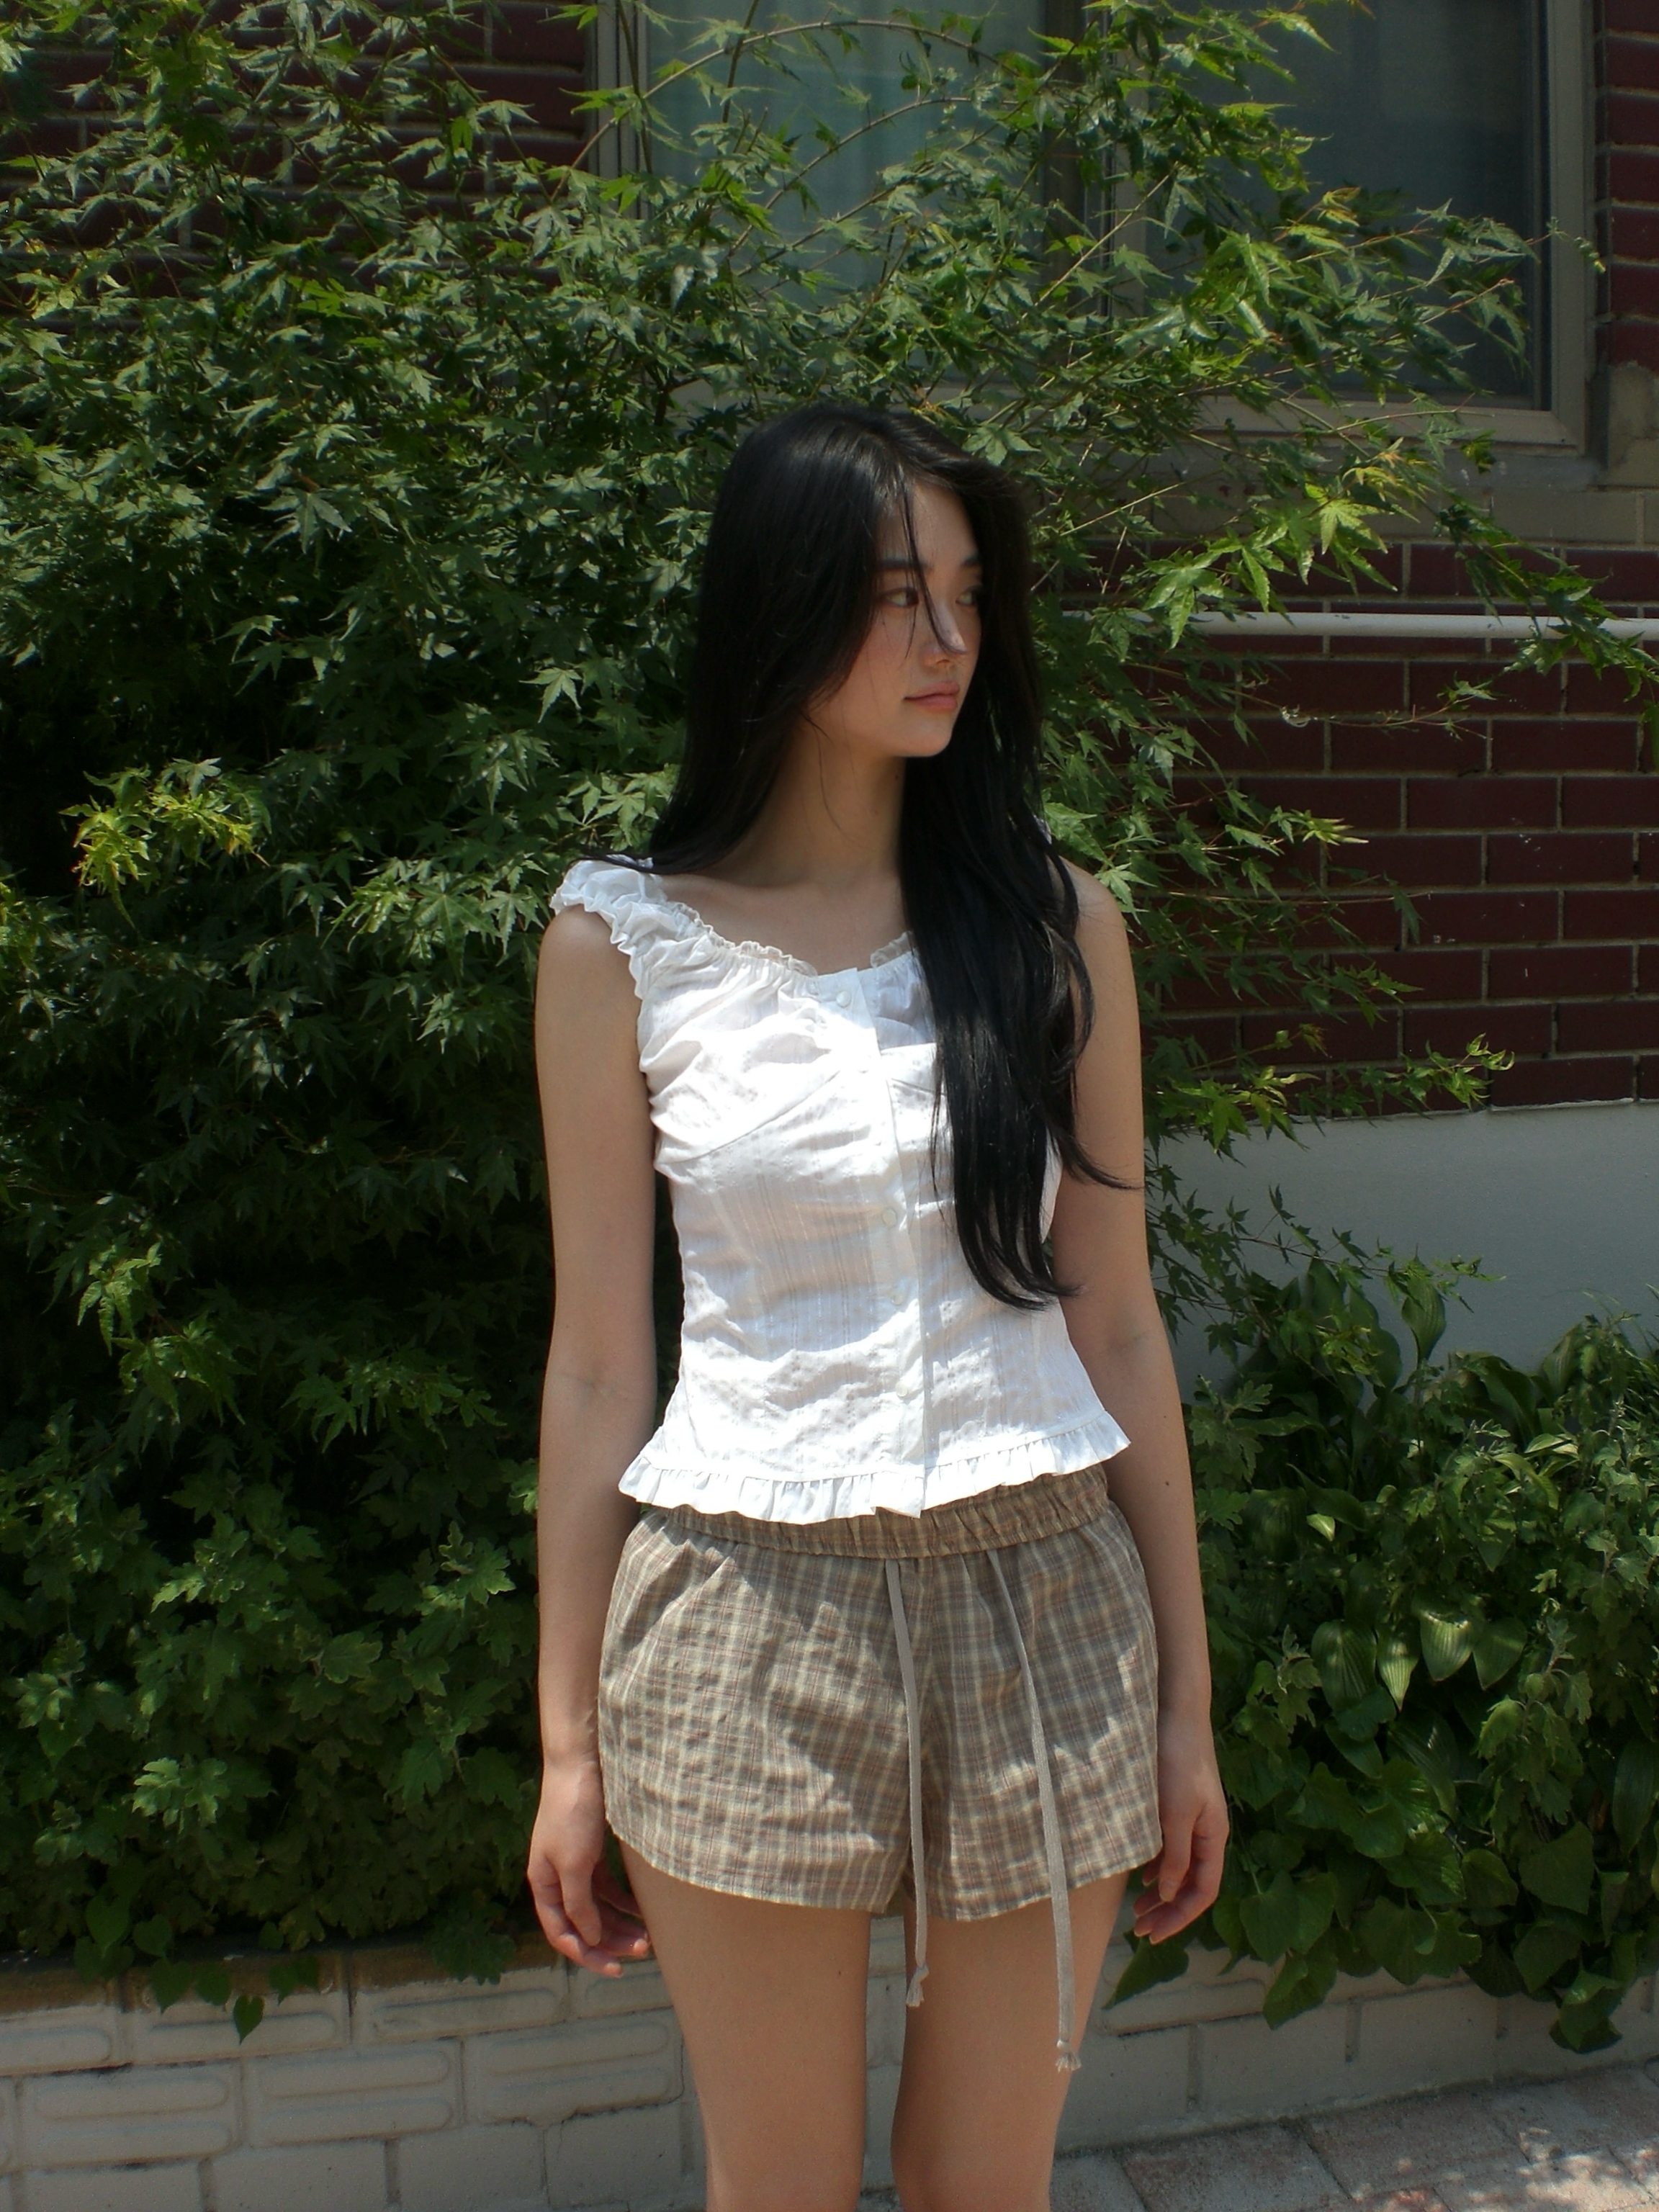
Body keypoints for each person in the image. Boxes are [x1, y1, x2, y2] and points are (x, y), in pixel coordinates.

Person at [529, 402, 1226, 2212]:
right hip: (747, 1616)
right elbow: (599, 1365)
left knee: (986, 2186)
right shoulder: (623, 947)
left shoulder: (1056, 928)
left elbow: (1118, 1324)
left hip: (1046, 1604)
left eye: (969, 595)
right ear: (780, 610)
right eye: (899, 595)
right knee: (777, 2188)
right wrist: (567, 1747)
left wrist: (1188, 1706)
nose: (949, 640)